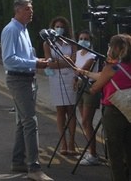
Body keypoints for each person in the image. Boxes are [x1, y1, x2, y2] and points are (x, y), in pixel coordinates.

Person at [1, 0, 53, 181]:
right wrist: (35, 63)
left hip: (27, 78)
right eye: (27, 9)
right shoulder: (11, 30)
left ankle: (18, 161)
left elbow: (24, 55)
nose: (31, 12)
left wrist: (37, 61)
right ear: (18, 11)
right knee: (30, 122)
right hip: (18, 80)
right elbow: (9, 59)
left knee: (23, 122)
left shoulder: (23, 29)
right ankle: (34, 167)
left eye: (31, 9)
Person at [77, 34, 131, 181]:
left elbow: (95, 88)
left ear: (116, 49)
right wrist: (86, 72)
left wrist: (85, 82)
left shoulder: (111, 67)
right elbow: (103, 76)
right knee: (128, 150)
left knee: (115, 153)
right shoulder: (122, 67)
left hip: (114, 113)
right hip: (128, 111)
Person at [43, 16, 77, 156]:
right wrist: (65, 62)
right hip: (56, 79)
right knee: (60, 110)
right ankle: (63, 142)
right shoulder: (47, 43)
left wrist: (59, 62)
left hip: (70, 77)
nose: (59, 29)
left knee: (71, 110)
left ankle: (72, 142)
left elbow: (74, 60)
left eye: (62, 27)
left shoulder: (71, 43)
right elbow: (49, 63)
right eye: (57, 26)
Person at [73, 29, 101, 166]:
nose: (83, 41)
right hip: (80, 87)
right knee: (84, 121)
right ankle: (91, 151)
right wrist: (74, 80)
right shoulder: (78, 53)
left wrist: (75, 71)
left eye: (86, 39)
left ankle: (93, 154)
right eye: (81, 38)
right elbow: (75, 70)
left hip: (90, 87)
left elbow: (82, 70)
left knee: (86, 121)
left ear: (90, 41)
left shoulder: (92, 56)